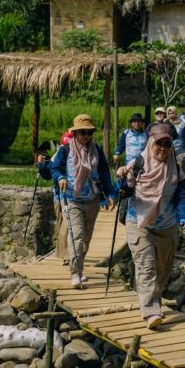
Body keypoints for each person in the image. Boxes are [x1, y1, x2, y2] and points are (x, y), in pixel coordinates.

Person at [116, 124, 185, 329]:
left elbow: (183, 194)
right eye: (160, 143)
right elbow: (122, 192)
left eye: (168, 144)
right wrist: (122, 178)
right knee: (146, 265)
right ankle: (150, 311)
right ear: (151, 143)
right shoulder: (138, 163)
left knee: (163, 269)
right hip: (139, 222)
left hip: (167, 225)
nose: (163, 148)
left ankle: (152, 299)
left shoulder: (175, 167)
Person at [52, 114, 115, 288]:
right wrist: (61, 177)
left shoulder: (97, 149)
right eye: (82, 133)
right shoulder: (65, 150)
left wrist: (109, 194)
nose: (85, 136)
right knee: (77, 238)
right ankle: (76, 273)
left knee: (85, 240)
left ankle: (79, 268)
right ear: (75, 133)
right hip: (73, 199)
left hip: (92, 200)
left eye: (88, 133)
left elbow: (104, 172)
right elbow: (55, 168)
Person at [37, 131, 73, 260]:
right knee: (61, 223)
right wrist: (41, 165)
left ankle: (66, 253)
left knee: (68, 224)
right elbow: (47, 174)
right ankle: (61, 251)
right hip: (59, 197)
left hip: (72, 197)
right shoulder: (58, 155)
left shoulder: (78, 154)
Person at [167, 105, 185, 177]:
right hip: (169, 152)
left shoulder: (182, 124)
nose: (171, 115)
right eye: (169, 113)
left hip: (180, 152)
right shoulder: (165, 124)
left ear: (176, 113)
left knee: (182, 172)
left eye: (172, 113)